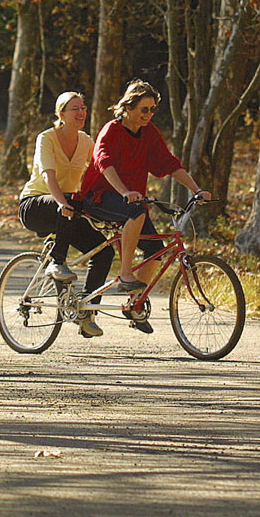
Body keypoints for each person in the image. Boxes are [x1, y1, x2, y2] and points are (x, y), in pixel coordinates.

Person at [77, 79, 211, 334]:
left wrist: (196, 190)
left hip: (131, 200)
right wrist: (125, 191)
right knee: (136, 212)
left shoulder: (148, 133)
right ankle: (126, 274)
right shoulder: (112, 130)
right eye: (144, 109)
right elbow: (104, 163)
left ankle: (135, 303)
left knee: (156, 250)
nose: (149, 115)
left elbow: (169, 163)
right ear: (128, 107)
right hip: (99, 196)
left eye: (152, 110)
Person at [18, 91, 115, 338]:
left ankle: (87, 312)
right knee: (71, 202)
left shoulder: (85, 141)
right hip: (35, 205)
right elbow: (49, 176)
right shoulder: (46, 138)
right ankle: (57, 262)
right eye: (75, 108)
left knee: (104, 251)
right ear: (61, 113)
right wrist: (62, 203)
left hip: (67, 209)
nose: (81, 113)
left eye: (83, 108)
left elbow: (100, 171)